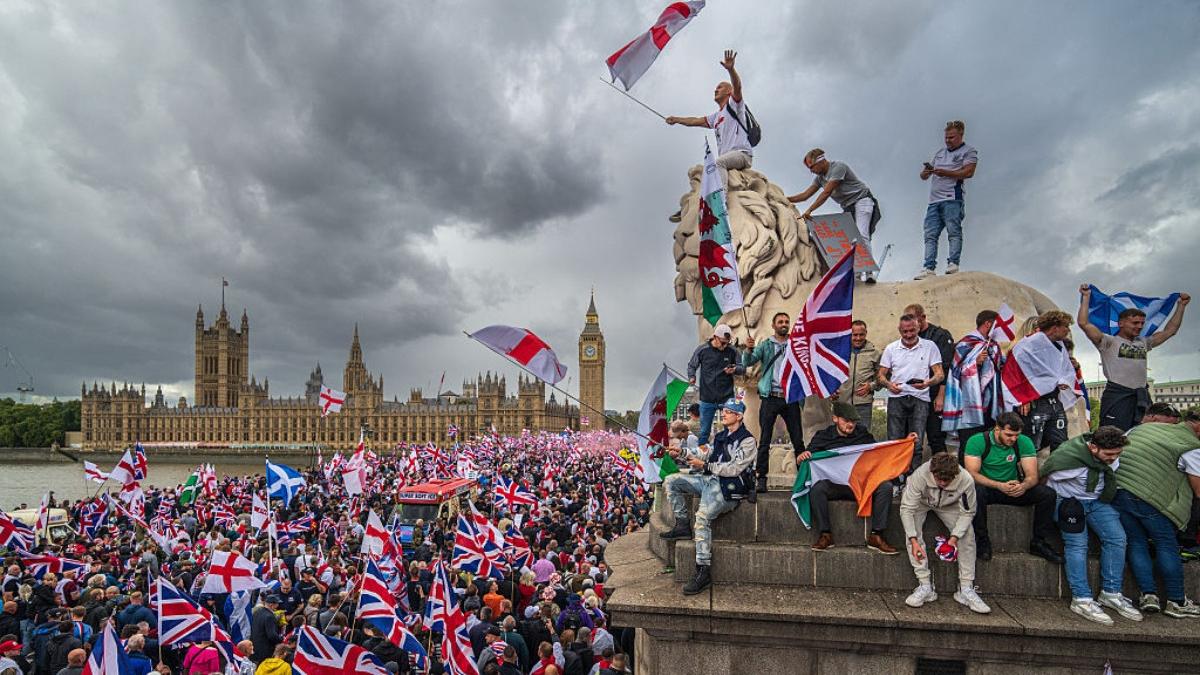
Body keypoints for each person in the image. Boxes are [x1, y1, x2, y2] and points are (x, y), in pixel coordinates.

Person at [1041, 426, 1141, 625]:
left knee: (1117, 538)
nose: (1113, 458)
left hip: (1097, 502)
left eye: (1117, 454)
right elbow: (1045, 477)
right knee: (1078, 545)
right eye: (1109, 454)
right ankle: (1082, 598)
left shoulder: (1109, 458)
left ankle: (1111, 593)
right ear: (1093, 448)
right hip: (1070, 501)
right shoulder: (1069, 461)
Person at [659, 398, 757, 595]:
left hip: (728, 488)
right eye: (724, 411)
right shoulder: (721, 436)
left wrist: (705, 466)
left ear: (739, 416)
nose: (724, 414)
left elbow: (735, 468)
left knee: (702, 518)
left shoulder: (747, 440)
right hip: (709, 480)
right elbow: (704, 452)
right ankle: (681, 525)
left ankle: (703, 570)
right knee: (671, 481)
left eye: (728, 412)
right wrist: (682, 452)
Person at [1112, 413, 1200, 617]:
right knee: (1166, 544)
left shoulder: (1140, 428)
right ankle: (1176, 601)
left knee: (1136, 543)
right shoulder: (1191, 447)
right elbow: (1198, 490)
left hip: (1119, 491)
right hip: (1150, 499)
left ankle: (1148, 595)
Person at [1077, 285, 1191, 431]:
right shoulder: (1108, 342)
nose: (1139, 326)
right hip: (1117, 396)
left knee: (1145, 434)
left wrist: (1181, 306)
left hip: (1141, 396)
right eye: (1135, 323)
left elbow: (1170, 331)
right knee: (1113, 436)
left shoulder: (1143, 342)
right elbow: (1084, 323)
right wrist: (1086, 297)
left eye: (1142, 323)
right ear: (1121, 323)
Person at [799, 402, 902, 554]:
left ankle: (877, 535)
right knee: (817, 489)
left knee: (885, 487)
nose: (850, 424)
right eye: (846, 421)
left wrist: (905, 443)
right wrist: (802, 456)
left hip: (859, 485)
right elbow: (807, 457)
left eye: (853, 421)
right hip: (835, 486)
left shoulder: (863, 434)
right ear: (835, 419)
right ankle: (825, 534)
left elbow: (879, 454)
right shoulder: (823, 436)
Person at [962, 412, 1063, 564]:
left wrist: (1024, 485)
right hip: (989, 487)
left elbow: (1032, 475)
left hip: (1014, 487)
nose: (1013, 439)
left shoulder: (1024, 441)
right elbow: (972, 474)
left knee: (1047, 494)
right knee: (975, 492)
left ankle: (1039, 542)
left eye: (1016, 435)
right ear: (997, 429)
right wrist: (999, 485)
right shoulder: (977, 441)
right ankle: (982, 540)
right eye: (1009, 435)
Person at [666, 49, 753, 221]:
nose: (715, 90)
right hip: (728, 157)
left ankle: (720, 204)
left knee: (717, 163)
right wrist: (676, 119)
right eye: (716, 87)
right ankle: (691, 206)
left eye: (720, 87)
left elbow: (738, 86)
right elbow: (695, 121)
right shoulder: (716, 117)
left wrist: (730, 70)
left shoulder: (734, 105)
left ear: (729, 92)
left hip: (741, 155)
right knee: (707, 171)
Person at [900, 453, 989, 614]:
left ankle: (966, 588)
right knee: (911, 531)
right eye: (938, 479)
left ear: (955, 475)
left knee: (967, 535)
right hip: (922, 501)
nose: (941, 483)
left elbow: (968, 513)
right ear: (932, 472)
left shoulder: (966, 480)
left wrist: (954, 538)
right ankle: (925, 585)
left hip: (950, 504)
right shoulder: (920, 475)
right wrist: (913, 541)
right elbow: (906, 509)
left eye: (946, 481)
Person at [789, 150, 881, 282]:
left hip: (862, 200)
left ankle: (869, 273)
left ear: (820, 161)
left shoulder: (838, 168)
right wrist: (783, 198)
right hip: (848, 207)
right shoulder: (820, 179)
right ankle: (857, 274)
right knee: (849, 239)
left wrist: (810, 210)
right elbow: (805, 195)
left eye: (812, 167)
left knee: (862, 234)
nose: (811, 171)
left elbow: (827, 192)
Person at [741, 312, 806, 494]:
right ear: (774, 325)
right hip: (770, 396)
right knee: (764, 439)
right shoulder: (766, 345)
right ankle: (761, 477)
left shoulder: (795, 344)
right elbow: (748, 362)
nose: (784, 324)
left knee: (797, 438)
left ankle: (803, 476)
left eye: (786, 321)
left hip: (789, 397)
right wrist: (748, 349)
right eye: (780, 322)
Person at [878, 314, 945, 475]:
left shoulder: (930, 346)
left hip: (920, 398)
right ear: (899, 330)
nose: (908, 335)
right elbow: (880, 375)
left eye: (912, 331)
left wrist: (926, 383)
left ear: (918, 328)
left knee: (917, 442)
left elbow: (940, 374)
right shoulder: (891, 348)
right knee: (894, 441)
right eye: (905, 331)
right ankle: (895, 477)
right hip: (896, 397)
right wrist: (889, 384)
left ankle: (913, 477)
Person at [916, 120, 978, 279]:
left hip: (952, 198)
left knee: (953, 231)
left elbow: (969, 172)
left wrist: (946, 173)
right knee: (930, 234)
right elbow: (923, 176)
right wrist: (927, 171)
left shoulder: (968, 151)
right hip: (934, 201)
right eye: (946, 137)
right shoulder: (939, 153)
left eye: (951, 137)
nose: (948, 140)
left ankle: (953, 263)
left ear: (960, 135)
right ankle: (928, 267)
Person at [1014, 311, 1076, 452]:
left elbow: (1061, 370)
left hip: (1054, 401)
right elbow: (1017, 371)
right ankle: (1028, 473)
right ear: (1055, 328)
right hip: (1035, 402)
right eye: (1066, 326)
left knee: (1060, 443)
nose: (1068, 330)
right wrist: (1024, 398)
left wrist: (1064, 379)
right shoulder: (1027, 345)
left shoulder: (1059, 346)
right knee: (1031, 444)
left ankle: (1058, 473)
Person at [941, 310, 1003, 451]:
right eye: (996, 325)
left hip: (989, 401)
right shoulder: (966, 344)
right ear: (988, 324)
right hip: (968, 403)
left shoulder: (993, 345)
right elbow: (955, 371)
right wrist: (975, 362)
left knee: (988, 441)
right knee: (969, 443)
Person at [905, 304, 955, 456]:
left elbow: (946, 367)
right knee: (911, 437)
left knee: (936, 436)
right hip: (914, 395)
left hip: (934, 394)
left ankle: (944, 473)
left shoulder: (940, 336)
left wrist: (941, 396)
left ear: (923, 318)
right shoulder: (909, 336)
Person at [686, 324, 745, 448]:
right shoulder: (702, 350)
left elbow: (742, 368)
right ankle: (701, 459)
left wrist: (734, 369)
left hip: (727, 398)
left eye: (727, 343)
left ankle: (728, 455)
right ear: (715, 337)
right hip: (707, 398)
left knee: (731, 429)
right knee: (704, 432)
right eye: (722, 343)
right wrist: (692, 376)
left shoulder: (732, 350)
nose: (724, 346)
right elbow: (692, 365)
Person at [833, 320, 880, 426]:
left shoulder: (874, 353)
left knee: (862, 437)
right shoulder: (839, 352)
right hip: (842, 402)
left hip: (863, 404)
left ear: (866, 333)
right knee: (842, 438)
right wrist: (832, 390)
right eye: (855, 335)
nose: (858, 338)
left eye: (861, 335)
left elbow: (883, 377)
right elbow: (831, 374)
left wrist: (871, 386)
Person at [249, 595, 282, 665]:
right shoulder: (270, 616)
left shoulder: (257, 612)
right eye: (277, 604)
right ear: (271, 605)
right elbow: (272, 635)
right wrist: (281, 639)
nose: (278, 605)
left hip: (255, 647)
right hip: (265, 650)